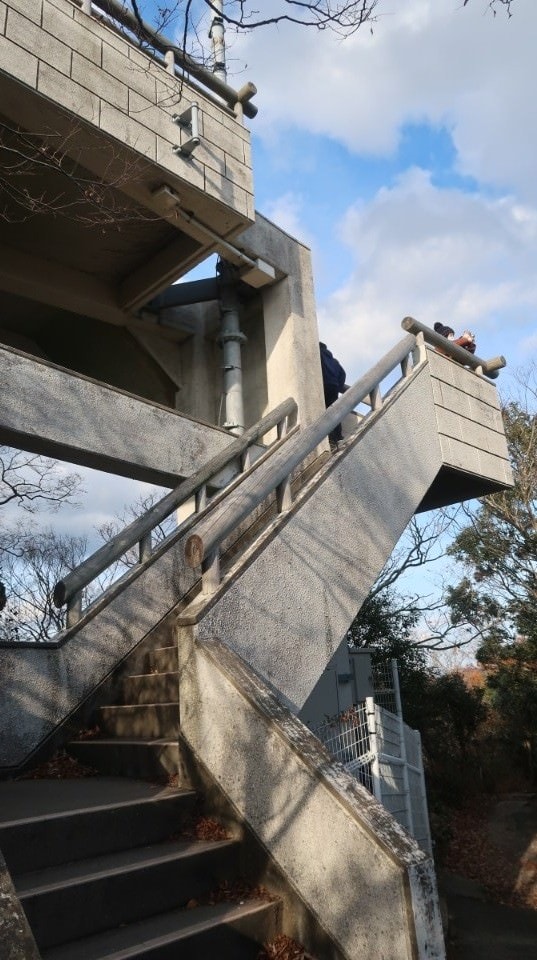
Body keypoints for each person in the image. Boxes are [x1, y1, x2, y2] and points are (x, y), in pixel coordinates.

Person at [319, 342, 347, 449]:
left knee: (325, 412)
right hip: (333, 386)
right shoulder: (334, 361)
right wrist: (338, 386)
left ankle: (330, 439)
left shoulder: (318, 355)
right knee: (334, 412)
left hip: (323, 386)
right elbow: (343, 374)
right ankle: (338, 438)